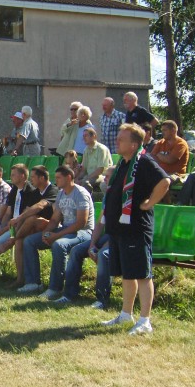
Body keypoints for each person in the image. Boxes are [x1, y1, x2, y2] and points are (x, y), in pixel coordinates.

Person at [102, 123, 170, 334]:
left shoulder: (145, 162)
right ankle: (125, 314)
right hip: (120, 228)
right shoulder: (124, 162)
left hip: (136, 228)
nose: (117, 141)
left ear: (133, 144)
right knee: (127, 274)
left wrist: (149, 203)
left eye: (121, 139)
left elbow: (165, 181)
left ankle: (145, 320)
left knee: (142, 274)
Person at [19, 165, 94, 298]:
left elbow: (81, 223)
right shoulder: (61, 194)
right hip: (66, 229)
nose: (56, 180)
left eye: (59, 177)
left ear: (69, 177)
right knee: (29, 241)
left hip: (84, 232)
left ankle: (55, 288)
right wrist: (46, 233)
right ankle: (33, 283)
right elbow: (54, 219)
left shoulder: (80, 194)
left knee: (59, 244)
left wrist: (56, 235)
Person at [74, 127, 113, 193]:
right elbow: (84, 170)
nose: (84, 138)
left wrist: (86, 178)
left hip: (102, 176)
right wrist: (76, 179)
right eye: (83, 136)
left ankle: (88, 201)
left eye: (86, 135)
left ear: (94, 136)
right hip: (90, 176)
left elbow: (100, 170)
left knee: (85, 182)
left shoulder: (101, 149)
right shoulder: (86, 150)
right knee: (72, 182)